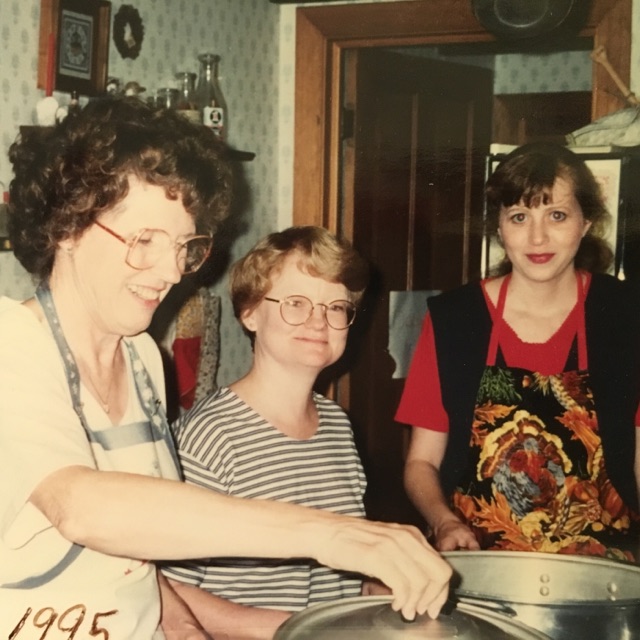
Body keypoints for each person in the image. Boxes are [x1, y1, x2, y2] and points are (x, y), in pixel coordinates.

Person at [0, 96, 451, 640]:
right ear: (67, 227)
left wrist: (185, 627)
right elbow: (82, 507)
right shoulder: (12, 343)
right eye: (145, 241)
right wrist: (332, 535)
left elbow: (140, 555)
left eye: (183, 246)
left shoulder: (142, 357)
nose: (173, 271)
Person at [396, 141, 640, 562]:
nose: (537, 237)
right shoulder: (455, 319)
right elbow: (422, 463)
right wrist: (444, 521)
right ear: (499, 227)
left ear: (586, 223)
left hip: (605, 569)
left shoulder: (626, 315)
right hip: (478, 561)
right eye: (519, 217)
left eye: (557, 215)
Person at [162, 226, 386, 638]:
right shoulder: (210, 437)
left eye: (336, 307)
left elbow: (337, 570)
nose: (318, 321)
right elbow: (167, 589)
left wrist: (373, 588)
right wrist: (295, 629)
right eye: (296, 303)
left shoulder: (338, 426)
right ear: (250, 313)